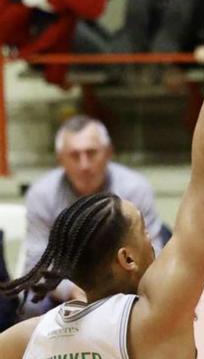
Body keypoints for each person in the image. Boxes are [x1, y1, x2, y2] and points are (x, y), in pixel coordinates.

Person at [0, 0, 204, 358]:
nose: (155, 244)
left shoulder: (30, 336)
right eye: (145, 235)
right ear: (127, 259)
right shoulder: (154, 321)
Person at [20, 115, 166, 317]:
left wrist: (108, 292)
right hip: (65, 288)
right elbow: (36, 262)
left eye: (91, 153)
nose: (84, 165)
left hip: (125, 286)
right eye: (74, 155)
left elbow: (153, 253)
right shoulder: (42, 194)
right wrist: (71, 290)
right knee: (31, 304)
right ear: (60, 159)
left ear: (108, 153)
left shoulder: (134, 188)